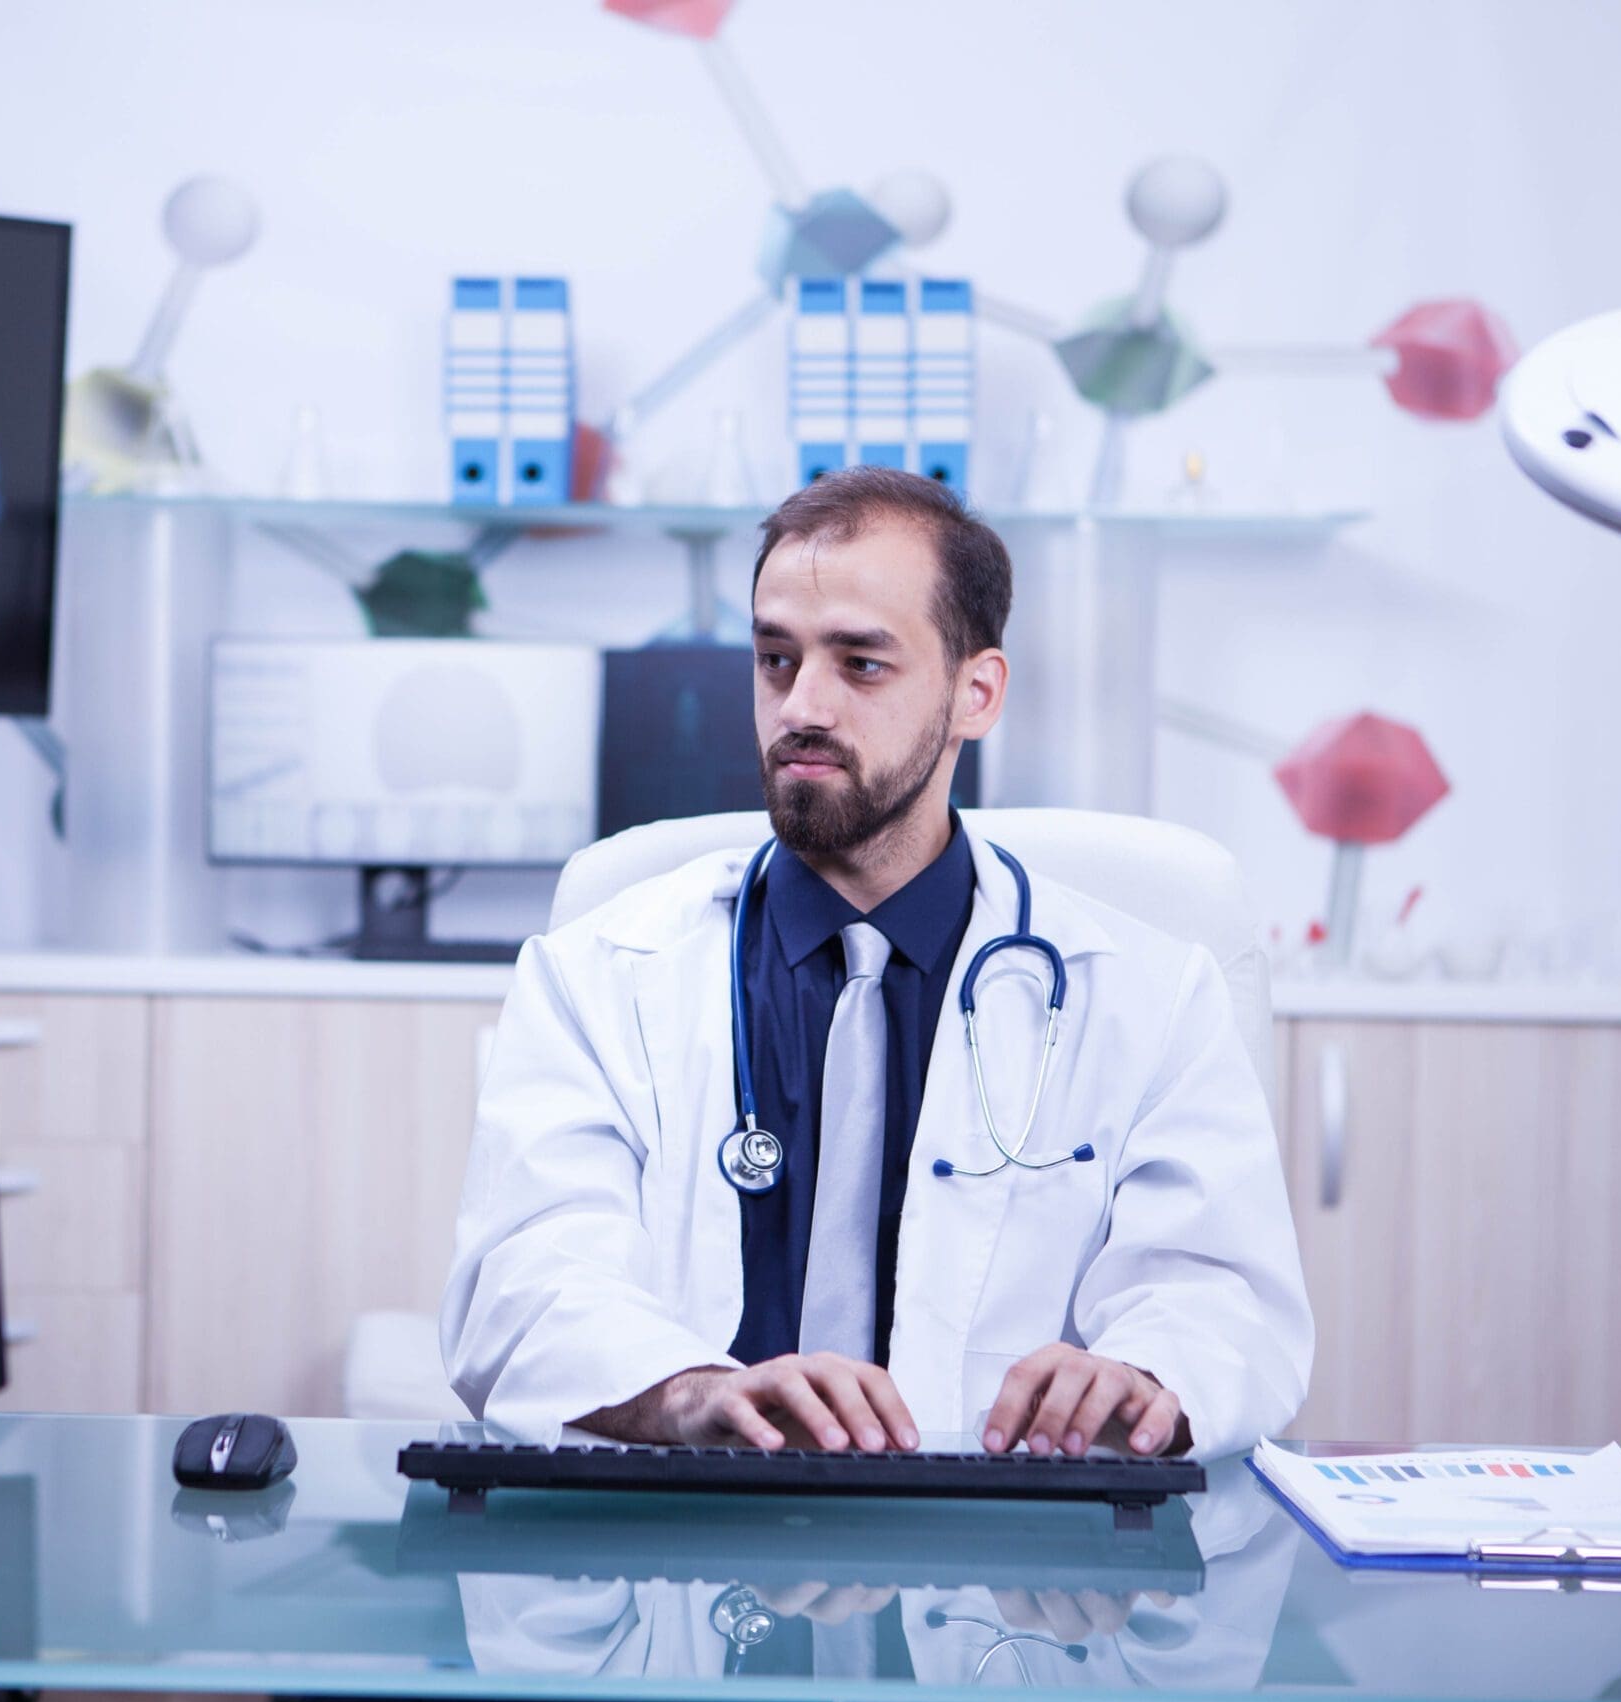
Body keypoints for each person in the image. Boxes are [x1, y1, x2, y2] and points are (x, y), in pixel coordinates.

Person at [441, 467, 1311, 1460]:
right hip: (683, 1555)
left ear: (975, 693)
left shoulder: (1150, 995)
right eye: (775, 659)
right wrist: (685, 1393)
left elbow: (1221, 1300)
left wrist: (1143, 1381)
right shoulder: (597, 974)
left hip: (1014, 1583)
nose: (799, 706)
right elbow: (521, 1287)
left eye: (859, 665)